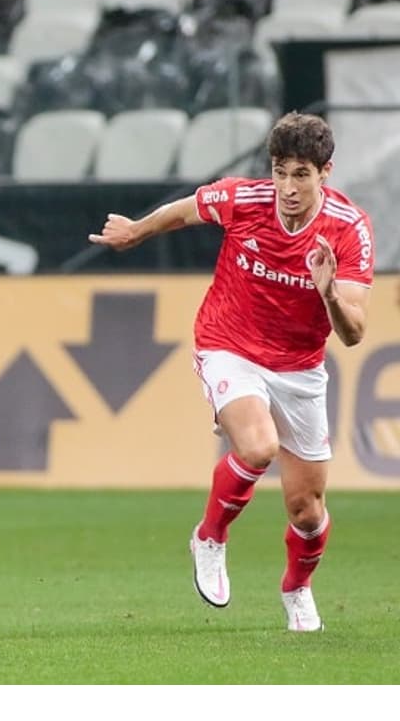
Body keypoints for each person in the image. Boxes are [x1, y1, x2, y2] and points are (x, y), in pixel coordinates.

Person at [88, 112, 374, 631]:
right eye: (280, 171)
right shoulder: (245, 200)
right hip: (229, 343)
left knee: (307, 510)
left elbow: (353, 334)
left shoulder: (349, 230)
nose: (287, 187)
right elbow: (184, 210)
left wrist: (328, 291)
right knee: (257, 446)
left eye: (301, 174)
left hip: (300, 367)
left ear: (325, 173)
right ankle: (211, 536)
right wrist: (136, 232)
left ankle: (297, 589)